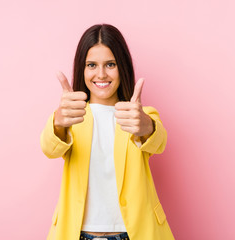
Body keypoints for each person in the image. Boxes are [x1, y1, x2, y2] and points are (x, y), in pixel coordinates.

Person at [40, 24, 175, 240]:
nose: (101, 74)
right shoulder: (70, 115)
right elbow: (49, 148)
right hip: (79, 234)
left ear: (122, 67)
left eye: (110, 64)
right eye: (91, 65)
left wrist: (146, 126)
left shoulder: (138, 116)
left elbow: (159, 141)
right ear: (82, 69)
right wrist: (58, 122)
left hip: (134, 234)